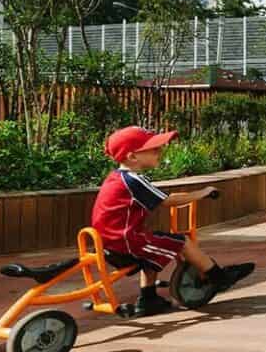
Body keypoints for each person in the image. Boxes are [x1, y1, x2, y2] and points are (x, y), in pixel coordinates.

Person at [91, 126, 254, 318]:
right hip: (126, 243)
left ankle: (148, 299)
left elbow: (162, 197)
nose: (160, 152)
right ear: (133, 157)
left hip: (110, 241)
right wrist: (202, 193)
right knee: (181, 242)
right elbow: (167, 201)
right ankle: (219, 277)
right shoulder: (133, 180)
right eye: (154, 149)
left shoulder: (117, 177)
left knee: (153, 251)